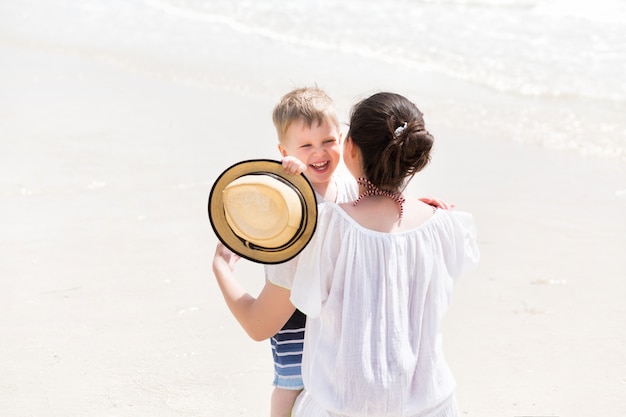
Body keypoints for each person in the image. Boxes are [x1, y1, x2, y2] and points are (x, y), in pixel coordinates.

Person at [212, 89, 456, 417]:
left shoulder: (345, 189)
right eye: (306, 146)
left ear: (345, 142)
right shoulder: (292, 192)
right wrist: (291, 175)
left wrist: (415, 205)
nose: (319, 153)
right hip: (295, 315)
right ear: (285, 152)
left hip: (323, 316)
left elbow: (375, 202)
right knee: (288, 383)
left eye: (328, 141)